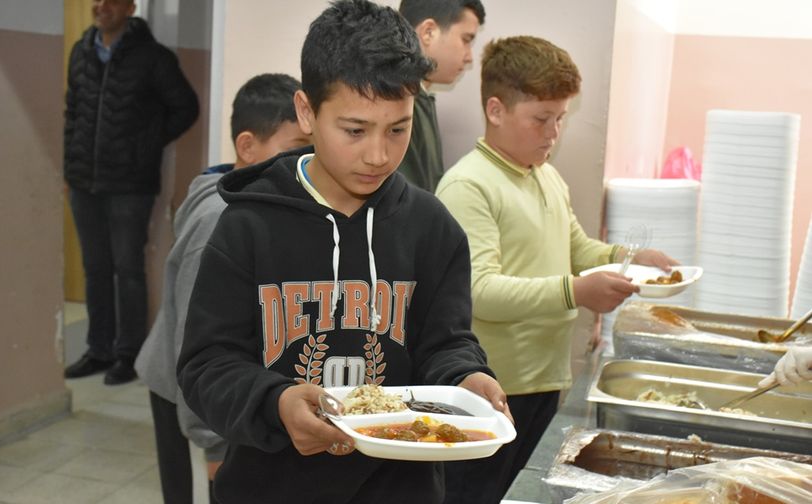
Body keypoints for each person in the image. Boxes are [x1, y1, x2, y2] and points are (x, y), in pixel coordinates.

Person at [177, 1, 510, 503]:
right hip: (271, 487)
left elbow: (445, 343)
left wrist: (467, 376)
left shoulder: (432, 228)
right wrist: (276, 401)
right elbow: (207, 365)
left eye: (398, 129)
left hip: (401, 489)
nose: (378, 155)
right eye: (354, 130)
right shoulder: (248, 225)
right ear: (307, 111)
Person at [435, 36, 678, 504]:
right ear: (496, 110)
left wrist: (627, 258)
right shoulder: (469, 186)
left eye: (560, 119)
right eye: (541, 119)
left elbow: (577, 249)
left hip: (544, 378)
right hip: (494, 385)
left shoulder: (545, 174)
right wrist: (575, 291)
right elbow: (480, 292)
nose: (552, 133)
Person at [135, 74, 310, 504]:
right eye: (293, 150)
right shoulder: (218, 221)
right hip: (189, 399)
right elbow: (194, 345)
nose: (305, 163)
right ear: (247, 147)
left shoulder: (264, 202)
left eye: (311, 150)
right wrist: (212, 444)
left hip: (225, 395)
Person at [63, 0, 199, 385]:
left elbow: (186, 107)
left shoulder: (153, 57)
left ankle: (128, 353)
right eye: (96, 0)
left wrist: (146, 143)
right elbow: (72, 109)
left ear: (130, 7)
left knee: (128, 269)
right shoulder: (81, 51)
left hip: (130, 184)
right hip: (83, 181)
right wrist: (70, 157)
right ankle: (99, 349)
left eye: (111, 0)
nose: (100, 6)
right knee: (95, 269)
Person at [397, 0, 485, 192]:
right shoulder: (396, 100)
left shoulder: (422, 97)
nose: (469, 57)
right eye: (466, 39)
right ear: (428, 32)